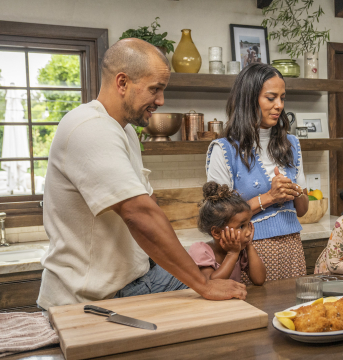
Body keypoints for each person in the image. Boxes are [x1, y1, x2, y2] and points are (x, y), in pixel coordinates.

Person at [37, 38, 246, 310]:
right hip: (89, 298)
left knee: (227, 295)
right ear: (122, 83)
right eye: (155, 89)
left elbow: (149, 202)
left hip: (134, 280)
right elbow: (139, 213)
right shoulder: (89, 127)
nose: (161, 100)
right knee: (216, 302)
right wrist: (203, 284)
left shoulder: (123, 130)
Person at [206, 62, 309, 282]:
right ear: (249, 99)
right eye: (271, 98)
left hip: (293, 248)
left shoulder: (291, 144)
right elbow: (223, 220)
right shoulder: (224, 150)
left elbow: (301, 210)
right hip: (251, 254)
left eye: (282, 98)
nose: (279, 105)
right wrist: (270, 197)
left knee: (294, 314)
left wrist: (295, 191)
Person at [188, 182, 266, 285]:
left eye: (248, 225)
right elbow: (212, 285)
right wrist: (232, 254)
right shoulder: (201, 251)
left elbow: (259, 280)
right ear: (216, 232)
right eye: (241, 226)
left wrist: (249, 247)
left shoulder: (240, 250)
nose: (248, 232)